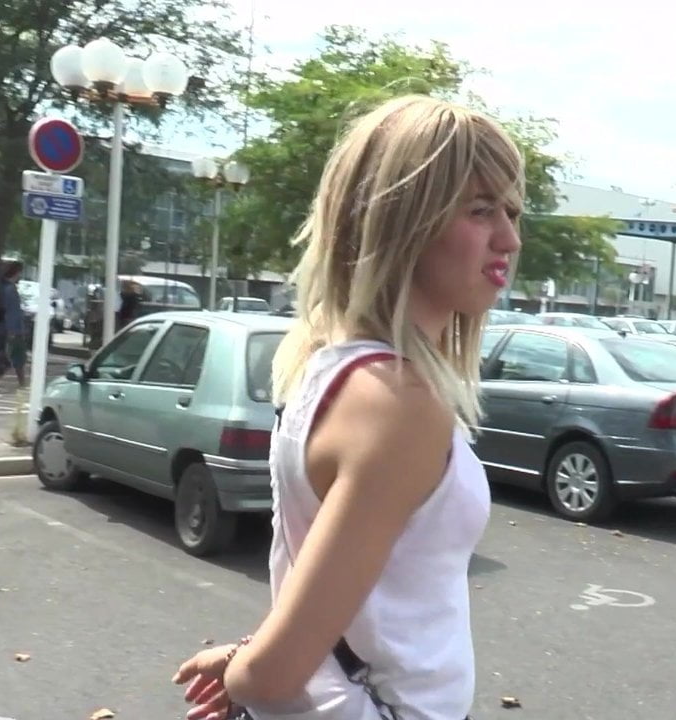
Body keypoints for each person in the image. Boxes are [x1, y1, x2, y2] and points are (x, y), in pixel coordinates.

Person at [171, 94, 524, 720]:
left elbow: (330, 608)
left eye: (512, 211)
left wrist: (244, 662)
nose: (509, 238)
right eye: (479, 210)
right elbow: (277, 674)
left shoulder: (329, 365)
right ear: (401, 220)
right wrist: (250, 670)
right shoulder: (398, 401)